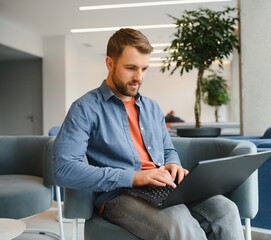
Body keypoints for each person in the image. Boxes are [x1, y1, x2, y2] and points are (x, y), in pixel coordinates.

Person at [53, 28, 244, 240]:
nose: (139, 77)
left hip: (161, 186)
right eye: (131, 68)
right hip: (119, 194)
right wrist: (134, 177)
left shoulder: (152, 108)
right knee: (178, 222)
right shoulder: (85, 108)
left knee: (226, 210)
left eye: (144, 68)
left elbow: (168, 148)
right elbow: (64, 169)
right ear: (110, 63)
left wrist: (173, 164)